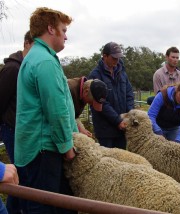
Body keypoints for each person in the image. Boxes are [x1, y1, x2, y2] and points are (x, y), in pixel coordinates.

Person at [14, 7, 78, 214]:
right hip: (44, 149)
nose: (66, 36)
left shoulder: (37, 57)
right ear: (51, 29)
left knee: (55, 204)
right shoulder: (44, 62)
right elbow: (56, 110)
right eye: (63, 29)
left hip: (39, 147)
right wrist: (67, 147)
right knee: (44, 207)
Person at [0, 30, 33, 214]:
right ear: (27, 43)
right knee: (17, 174)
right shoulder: (13, 69)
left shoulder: (28, 67)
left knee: (21, 173)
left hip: (22, 130)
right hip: (11, 129)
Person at [88, 42, 134, 149]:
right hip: (105, 130)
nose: (117, 60)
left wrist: (129, 114)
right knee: (107, 161)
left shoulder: (122, 73)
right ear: (105, 56)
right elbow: (101, 103)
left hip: (122, 127)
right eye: (114, 58)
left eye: (118, 57)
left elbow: (129, 94)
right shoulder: (95, 75)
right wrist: (117, 120)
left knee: (122, 160)